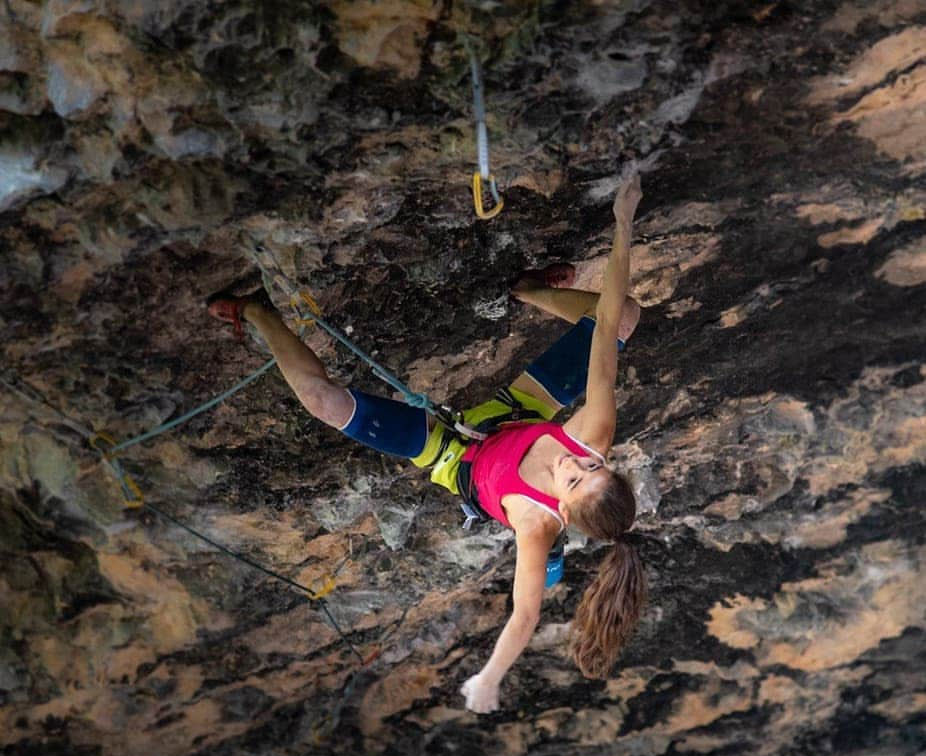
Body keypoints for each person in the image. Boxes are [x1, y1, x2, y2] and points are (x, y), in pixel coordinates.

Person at [207, 173, 646, 714]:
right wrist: (623, 221)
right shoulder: (592, 433)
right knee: (626, 314)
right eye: (590, 464)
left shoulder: (536, 524)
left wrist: (489, 679)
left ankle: (257, 312)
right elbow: (605, 324)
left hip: (452, 453)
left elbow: (524, 615)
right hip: (519, 413)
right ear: (605, 460)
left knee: (323, 403)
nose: (573, 461)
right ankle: (527, 288)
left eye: (573, 480)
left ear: (563, 505)